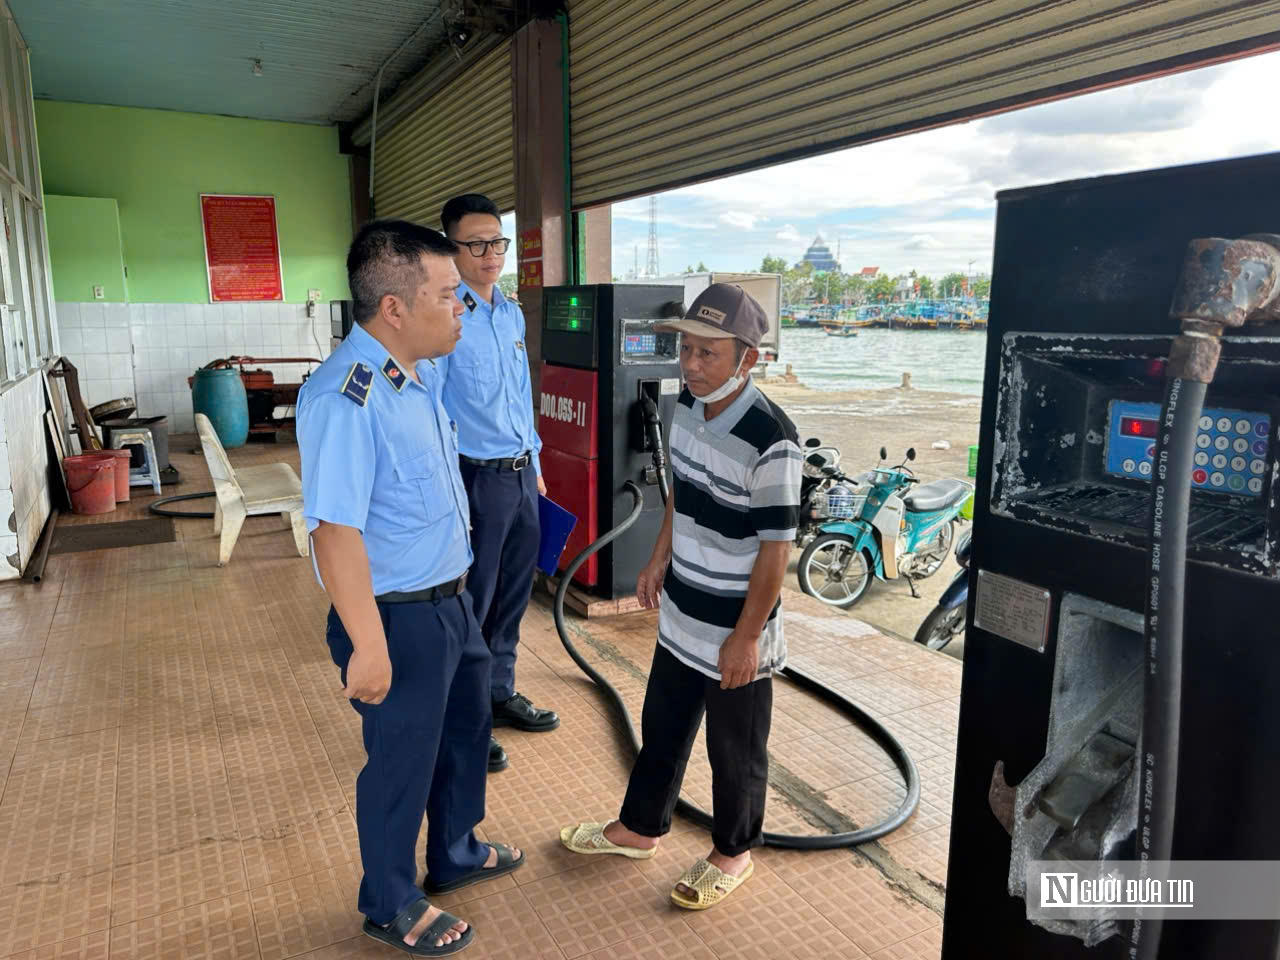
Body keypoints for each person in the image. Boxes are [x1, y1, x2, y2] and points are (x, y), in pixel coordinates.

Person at [297, 220, 524, 956]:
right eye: (448, 294)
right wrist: (366, 645)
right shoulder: (347, 396)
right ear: (394, 307)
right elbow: (335, 531)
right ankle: (389, 900)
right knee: (402, 763)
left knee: (465, 736)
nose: (461, 306)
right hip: (396, 618)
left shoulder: (415, 377)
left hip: (451, 601)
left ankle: (454, 851)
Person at [560, 283, 801, 910]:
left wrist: (747, 638)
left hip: (733, 626)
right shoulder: (689, 407)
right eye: (686, 350)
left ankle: (732, 852)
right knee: (661, 728)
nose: (691, 366)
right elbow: (682, 491)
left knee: (735, 750)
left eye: (708, 354)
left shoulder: (771, 437)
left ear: (748, 357)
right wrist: (658, 557)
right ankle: (639, 829)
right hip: (683, 609)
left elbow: (776, 550)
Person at [439, 193, 559, 775]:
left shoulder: (509, 311)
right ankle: (465, 715)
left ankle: (498, 693)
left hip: (521, 475)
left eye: (498, 243)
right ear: (453, 249)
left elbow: (519, 397)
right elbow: (434, 409)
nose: (491, 255)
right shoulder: (444, 316)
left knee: (514, 597)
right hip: (474, 480)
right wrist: (450, 494)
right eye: (477, 244)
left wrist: (535, 461)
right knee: (473, 604)